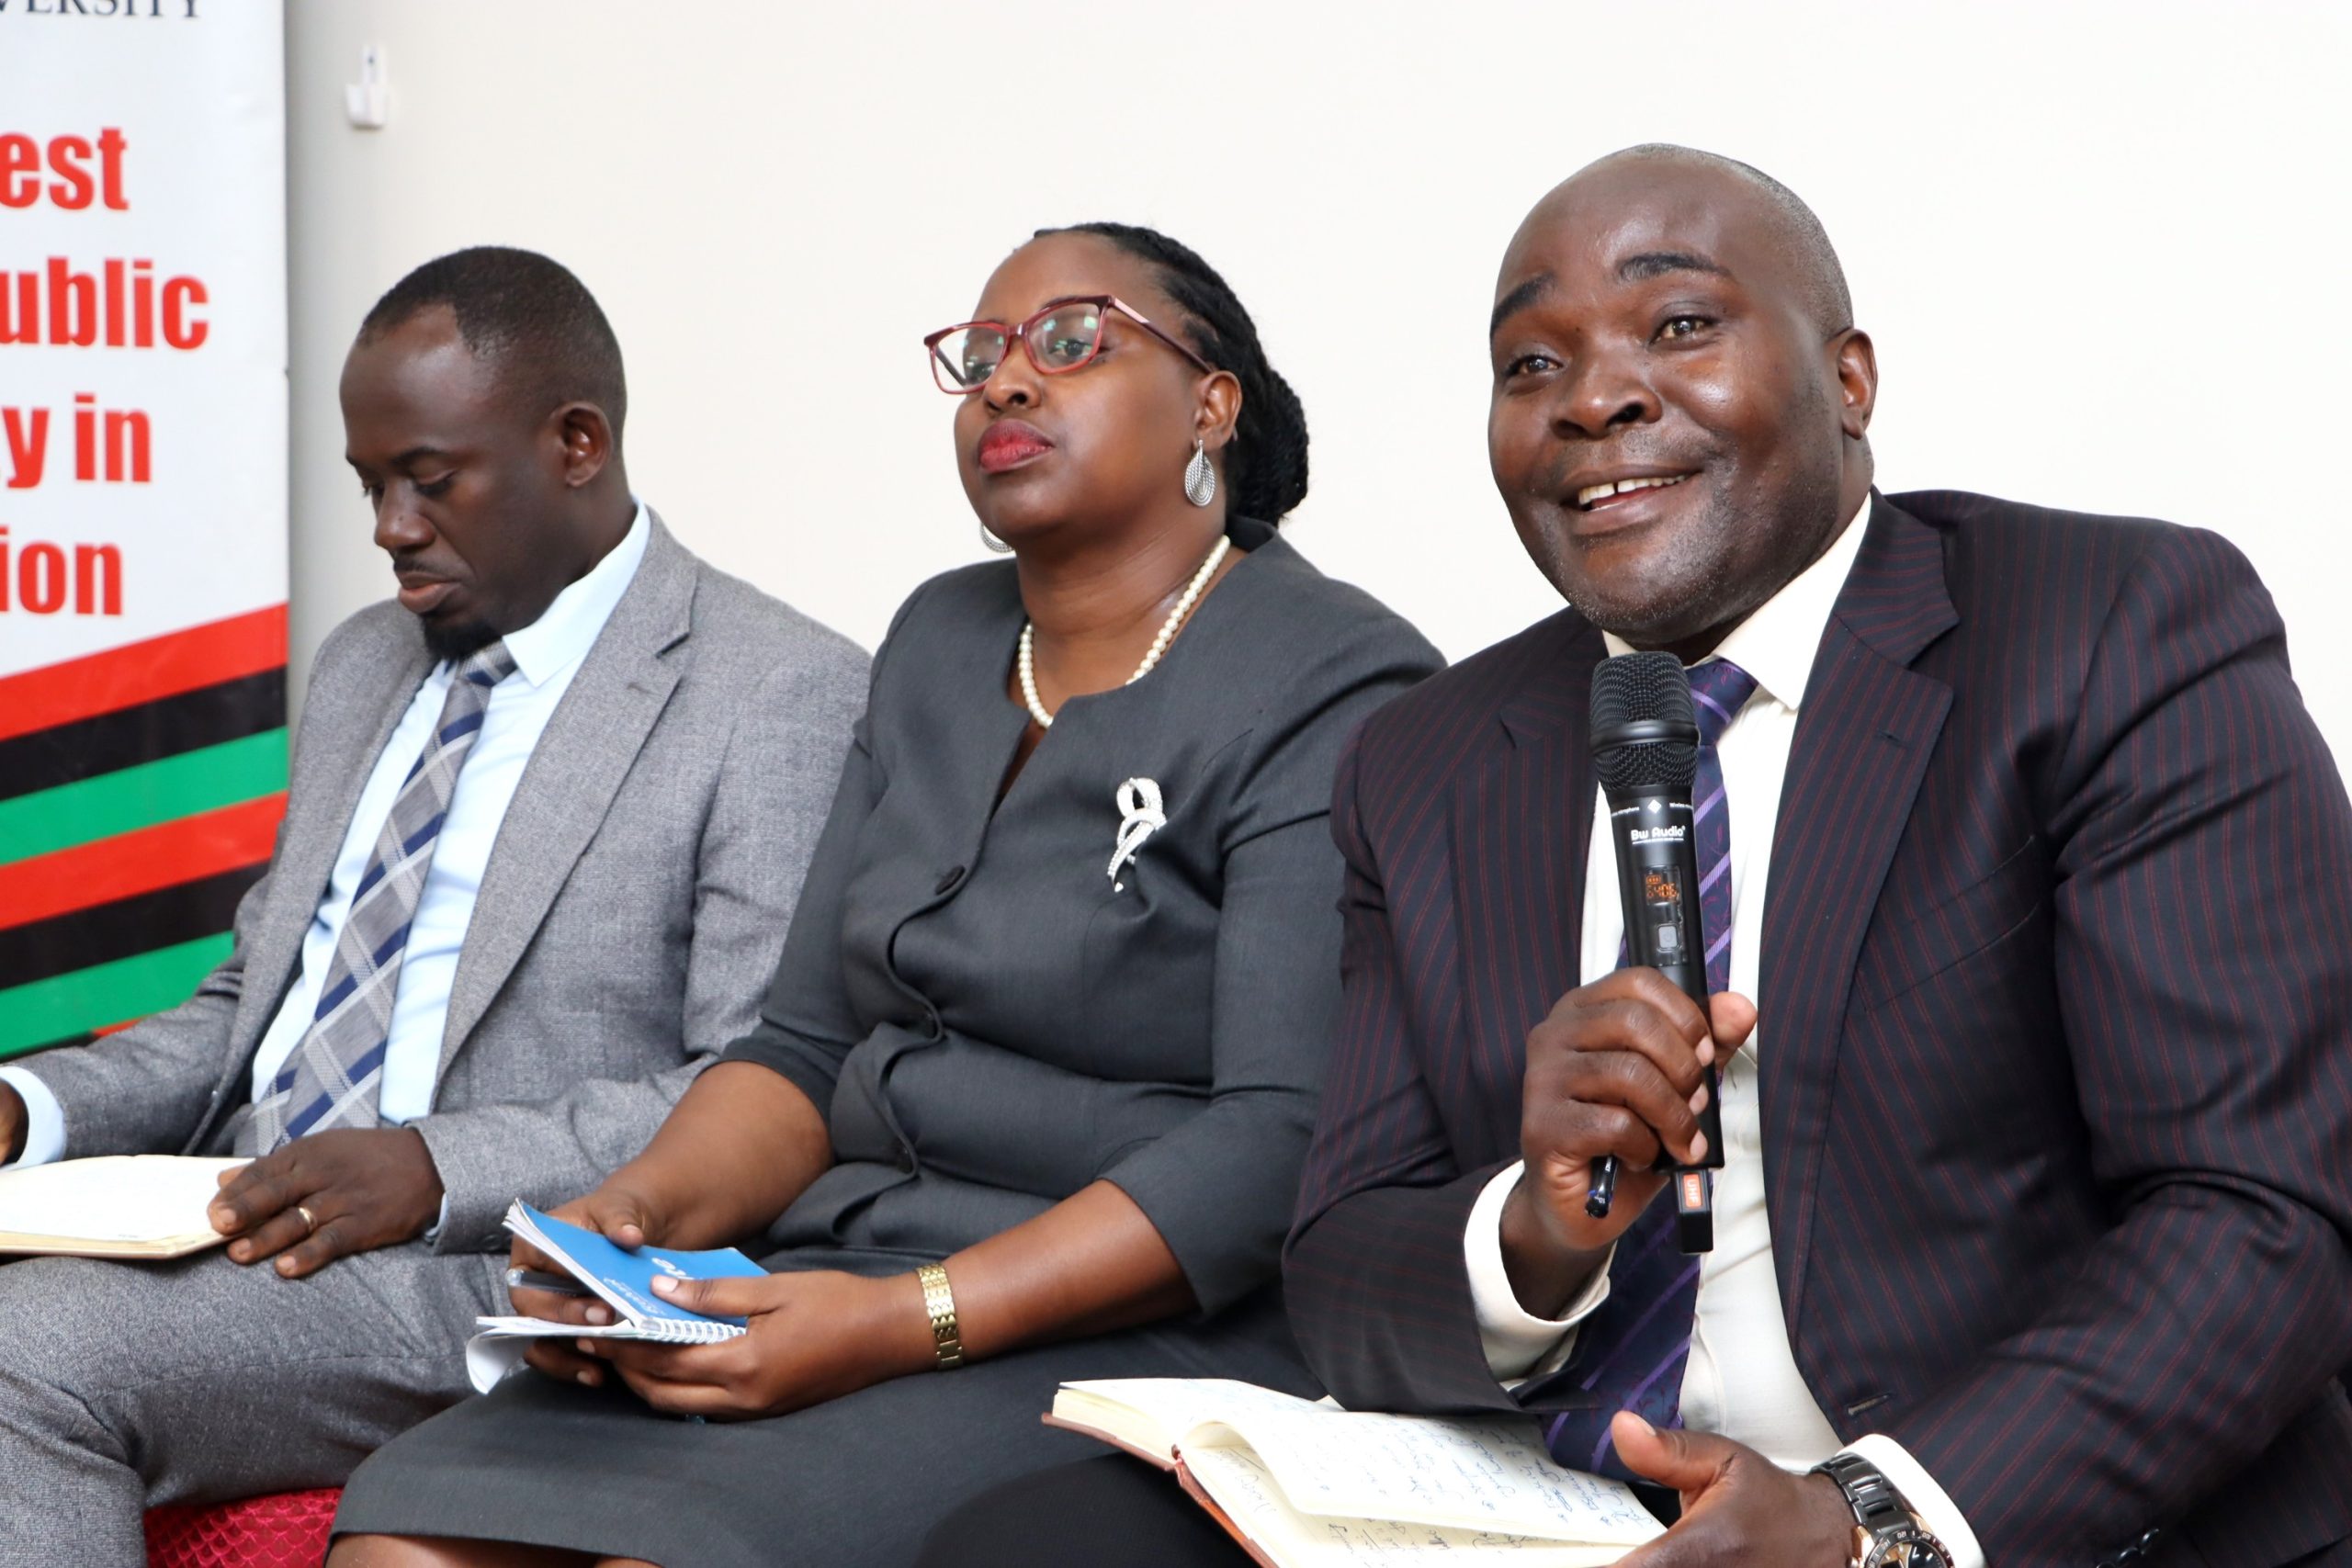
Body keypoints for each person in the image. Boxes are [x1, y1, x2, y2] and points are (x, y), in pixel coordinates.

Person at [923, 148, 2352, 1568]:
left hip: (1998, 1511)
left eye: (1679, 326)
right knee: (1025, 1542)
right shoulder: (1425, 760)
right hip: (1569, 1516)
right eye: (1529, 364)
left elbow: (2258, 1219)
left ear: (1849, 382)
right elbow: (1341, 1267)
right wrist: (1532, 1234)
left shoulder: (2112, 631)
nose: (1593, 399)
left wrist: (1870, 1523)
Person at [326, 220, 1443, 1568]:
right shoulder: (937, 641)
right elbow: (802, 1048)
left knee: (675, 1556)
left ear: (1212, 402)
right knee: (408, 1532)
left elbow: (1273, 1144)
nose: (1008, 384)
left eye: (1073, 341)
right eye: (981, 359)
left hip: (1136, 1342)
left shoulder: (1334, 681)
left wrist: (913, 1318)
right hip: (840, 1277)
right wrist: (632, 1224)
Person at [0, 246, 867, 1568]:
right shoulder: (365, 664)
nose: (391, 527)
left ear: (576, 443)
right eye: (370, 485)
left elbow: (757, 1085)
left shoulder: (775, 694)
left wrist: (431, 1171)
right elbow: (253, 1008)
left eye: (429, 480)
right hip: (238, 1209)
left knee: (24, 1355)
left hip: (472, 1265)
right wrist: (32, 1109)